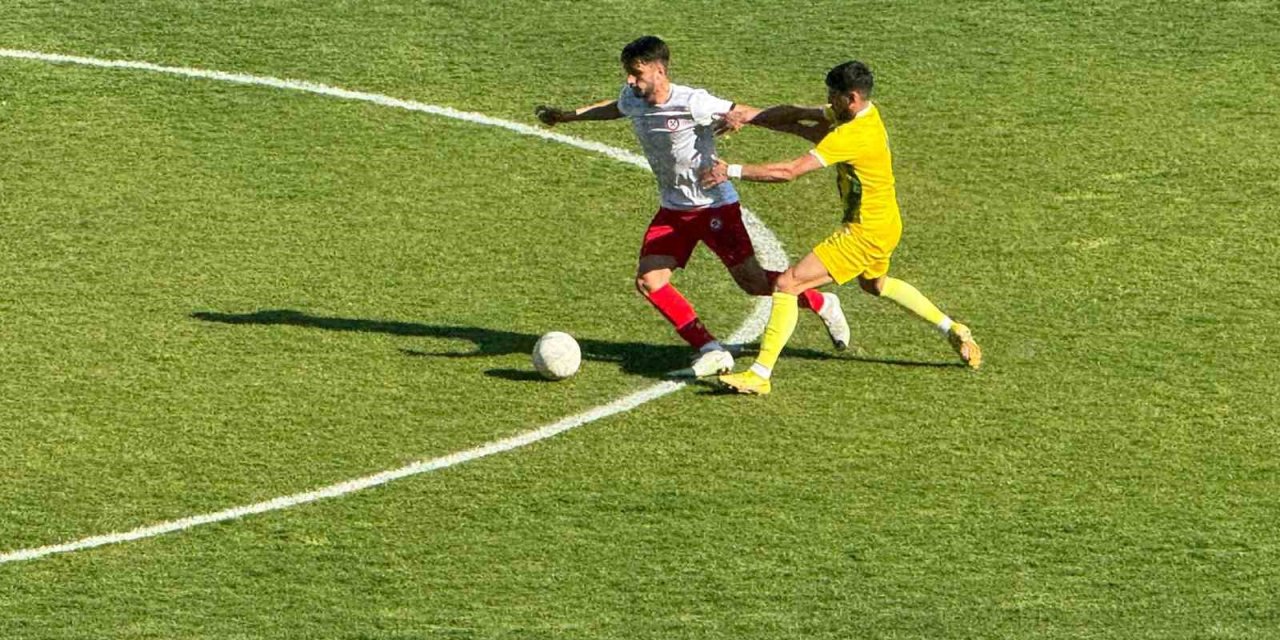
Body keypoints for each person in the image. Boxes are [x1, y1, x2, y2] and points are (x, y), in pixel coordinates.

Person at [534, 35, 850, 378]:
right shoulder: (633, 97)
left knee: (753, 282)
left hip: (714, 207)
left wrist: (795, 128)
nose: (630, 81)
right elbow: (615, 107)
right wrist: (567, 117)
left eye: (637, 74)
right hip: (674, 210)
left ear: (659, 70)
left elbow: (748, 114)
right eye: (628, 73)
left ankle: (820, 301)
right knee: (650, 280)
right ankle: (711, 349)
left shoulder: (693, 102)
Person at [701, 60, 982, 395]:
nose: (828, 102)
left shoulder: (853, 135)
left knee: (788, 284)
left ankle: (760, 374)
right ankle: (953, 328)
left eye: (833, 97)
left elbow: (790, 171)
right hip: (886, 224)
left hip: (864, 233)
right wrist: (749, 116)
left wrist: (730, 170)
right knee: (875, 285)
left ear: (851, 98)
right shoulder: (862, 116)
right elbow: (798, 115)